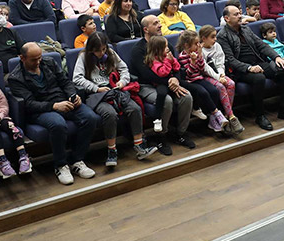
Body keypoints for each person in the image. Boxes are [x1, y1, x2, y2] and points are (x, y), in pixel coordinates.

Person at [8, 43, 99, 185]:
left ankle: (77, 160)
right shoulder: (15, 78)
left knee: (90, 118)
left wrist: (73, 95)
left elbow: (65, 82)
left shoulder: (49, 62)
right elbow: (29, 104)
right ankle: (60, 165)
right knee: (58, 124)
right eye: (34, 59)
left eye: (39, 57)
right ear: (22, 58)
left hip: (63, 101)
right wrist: (54, 106)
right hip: (41, 109)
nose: (38, 62)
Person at [71, 33, 159, 168]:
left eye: (103, 49)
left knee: (134, 108)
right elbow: (77, 79)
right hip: (96, 95)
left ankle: (139, 146)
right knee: (109, 114)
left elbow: (124, 69)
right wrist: (96, 88)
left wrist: (122, 82)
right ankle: (112, 151)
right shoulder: (83, 57)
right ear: (91, 50)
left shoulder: (110, 53)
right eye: (98, 50)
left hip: (115, 91)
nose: (101, 53)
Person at [217, 4, 284, 131]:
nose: (240, 16)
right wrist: (249, 68)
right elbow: (230, 60)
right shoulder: (222, 35)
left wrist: (277, 57)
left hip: (258, 63)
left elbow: (261, 45)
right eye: (236, 14)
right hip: (240, 70)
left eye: (240, 13)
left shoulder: (245, 29)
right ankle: (260, 115)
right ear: (226, 18)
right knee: (259, 78)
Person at [130, 15, 194, 153]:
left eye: (159, 22)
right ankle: (161, 136)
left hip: (167, 82)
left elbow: (175, 64)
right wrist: (170, 81)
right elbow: (146, 74)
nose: (160, 25)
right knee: (167, 101)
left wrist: (175, 79)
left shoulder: (164, 43)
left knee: (186, 97)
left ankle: (180, 134)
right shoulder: (138, 49)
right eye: (155, 23)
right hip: (146, 85)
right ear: (146, 29)